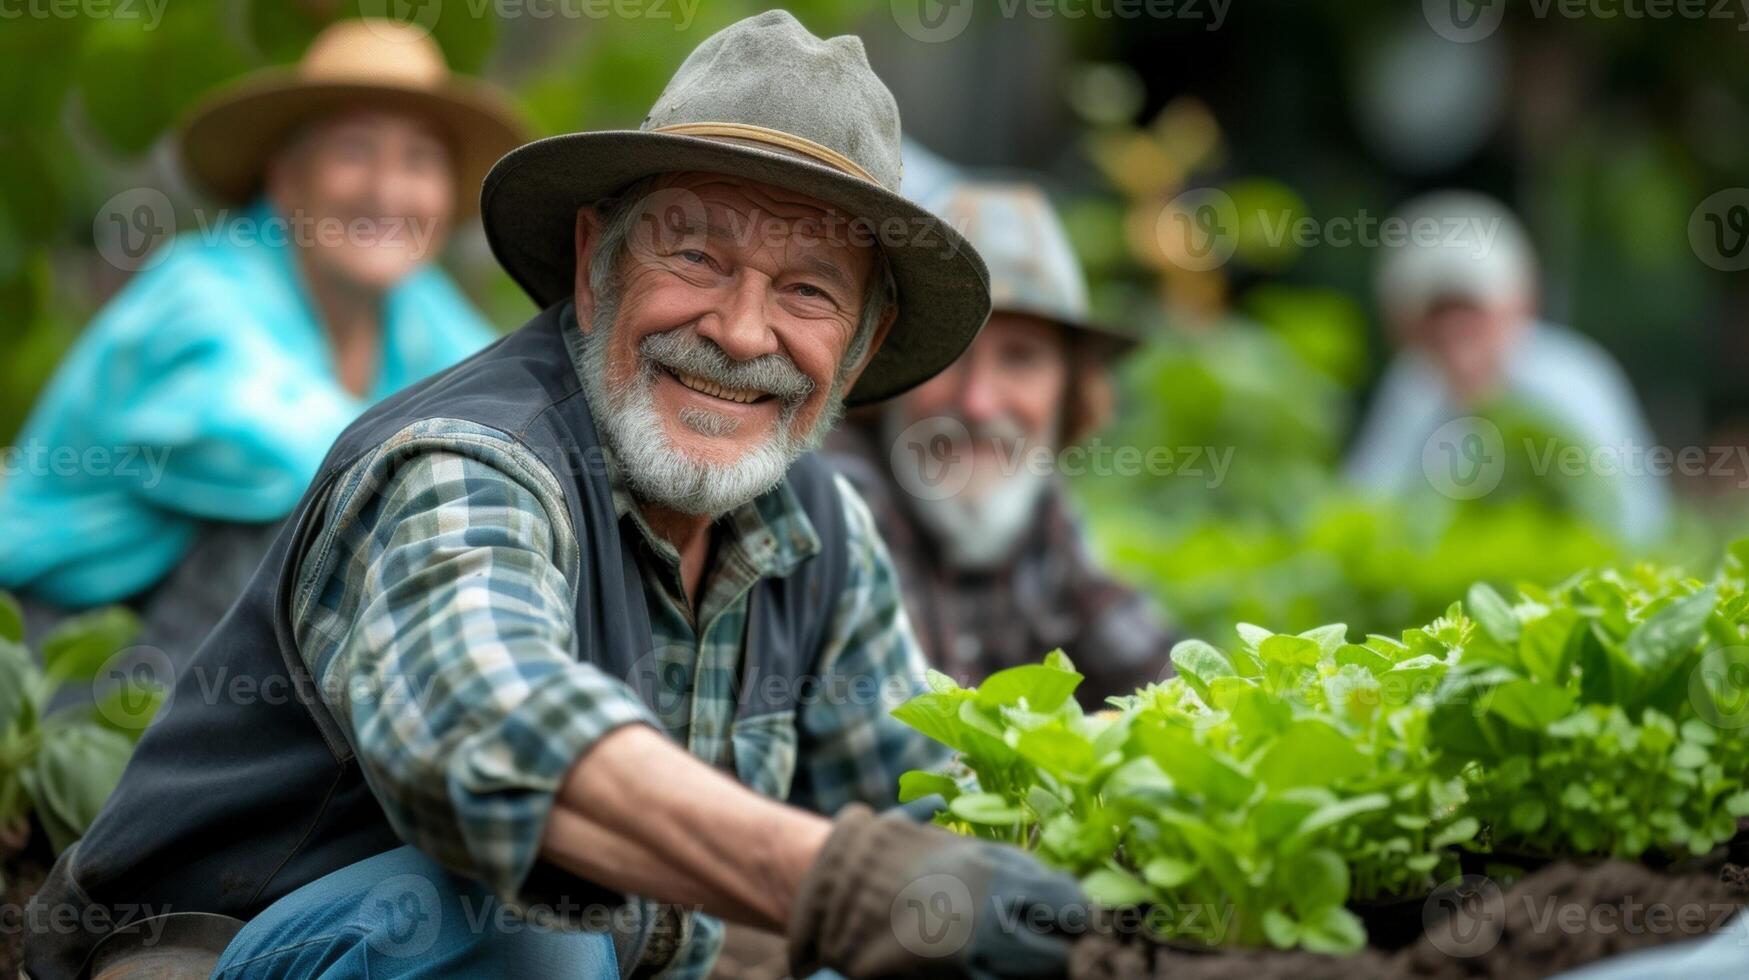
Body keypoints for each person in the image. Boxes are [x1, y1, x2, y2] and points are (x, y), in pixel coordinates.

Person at [24, 12, 1084, 980]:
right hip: (203, 949)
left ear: (861, 348)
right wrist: (844, 880)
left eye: (808, 289)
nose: (742, 331)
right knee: (540, 939)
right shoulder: (467, 456)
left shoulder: (824, 529)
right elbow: (486, 725)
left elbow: (920, 785)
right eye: (696, 254)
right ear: (596, 266)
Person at [0, 19, 525, 655]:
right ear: (286, 179)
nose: (387, 191)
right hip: (59, 632)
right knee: (314, 515)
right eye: (355, 152)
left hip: (191, 628)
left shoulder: (415, 307)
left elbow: (513, 413)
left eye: (418, 160)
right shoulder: (197, 291)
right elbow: (286, 450)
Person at [826, 176, 1172, 708]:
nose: (979, 404)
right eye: (950, 353)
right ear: (881, 358)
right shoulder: (837, 495)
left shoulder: (1035, 508)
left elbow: (1164, 686)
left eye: (1020, 357)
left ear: (1070, 390)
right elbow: (911, 740)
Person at [1345, 191, 1669, 543]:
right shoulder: (1413, 384)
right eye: (1438, 320)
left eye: (1471, 317)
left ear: (1518, 307)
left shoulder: (1572, 381)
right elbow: (1365, 498)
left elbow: (1634, 517)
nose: (1455, 339)